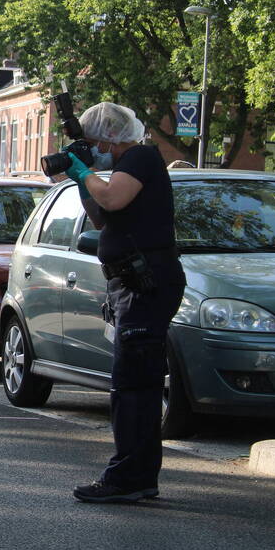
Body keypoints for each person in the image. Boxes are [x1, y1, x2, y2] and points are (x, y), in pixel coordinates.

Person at [62, 102, 186, 503]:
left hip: (145, 284)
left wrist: (85, 171)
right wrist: (82, 180)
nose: (92, 147)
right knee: (138, 383)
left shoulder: (141, 157)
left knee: (132, 386)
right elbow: (102, 216)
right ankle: (139, 475)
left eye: (93, 140)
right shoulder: (128, 164)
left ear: (108, 136)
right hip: (133, 284)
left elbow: (113, 200)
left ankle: (127, 477)